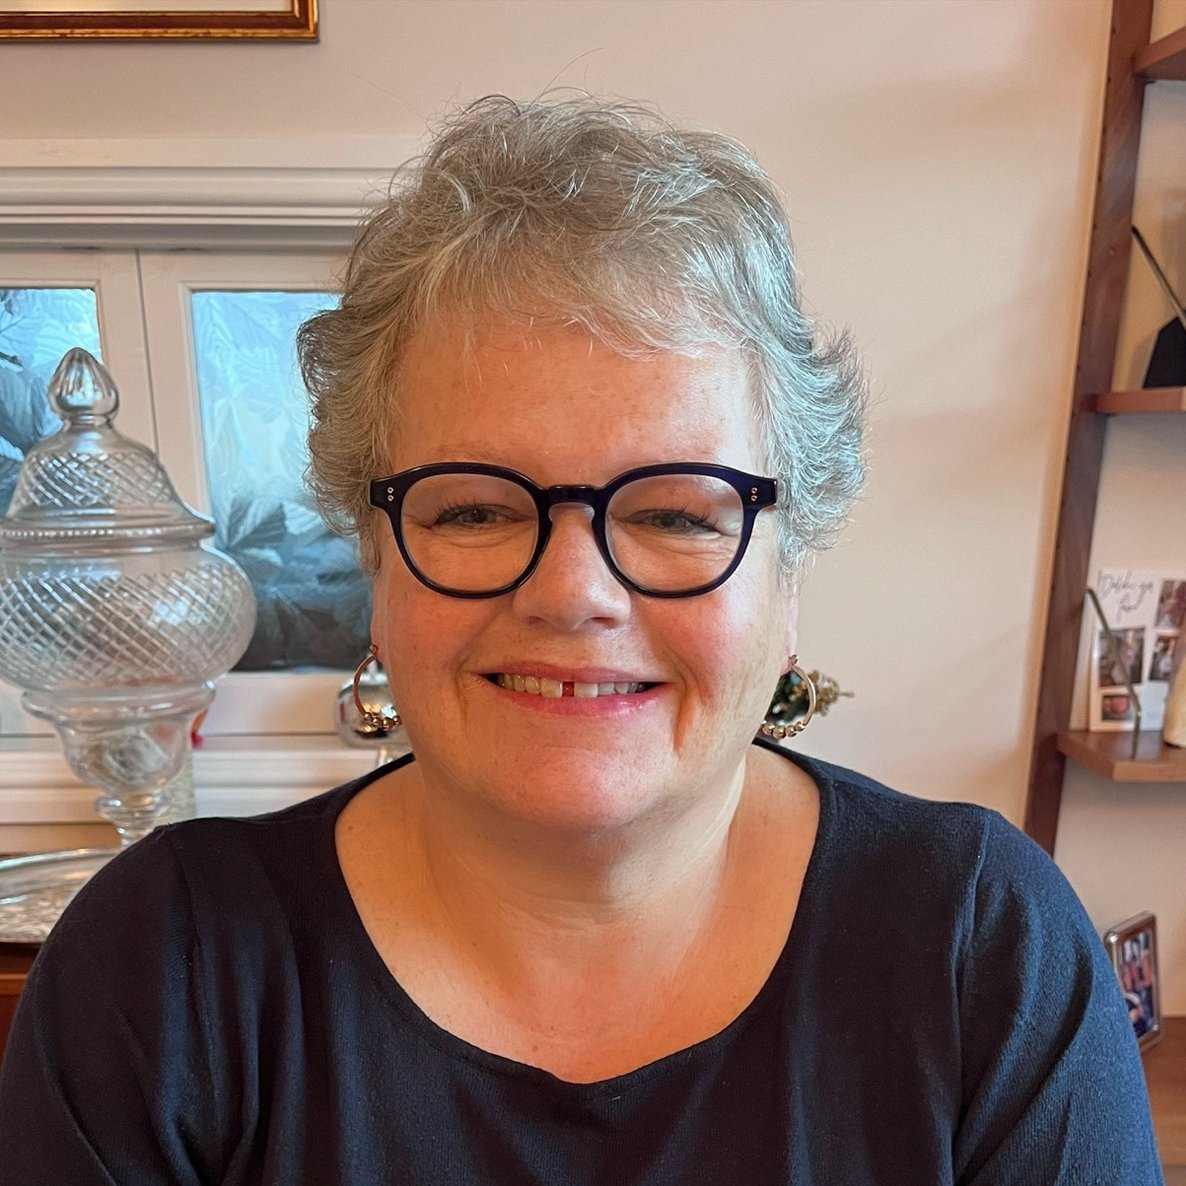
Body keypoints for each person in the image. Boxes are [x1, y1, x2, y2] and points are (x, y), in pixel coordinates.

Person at [0, 96, 1163, 1185]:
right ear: (374, 554)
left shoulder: (980, 949)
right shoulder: (161, 972)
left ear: (790, 572)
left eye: (675, 513)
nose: (571, 592)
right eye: (472, 508)